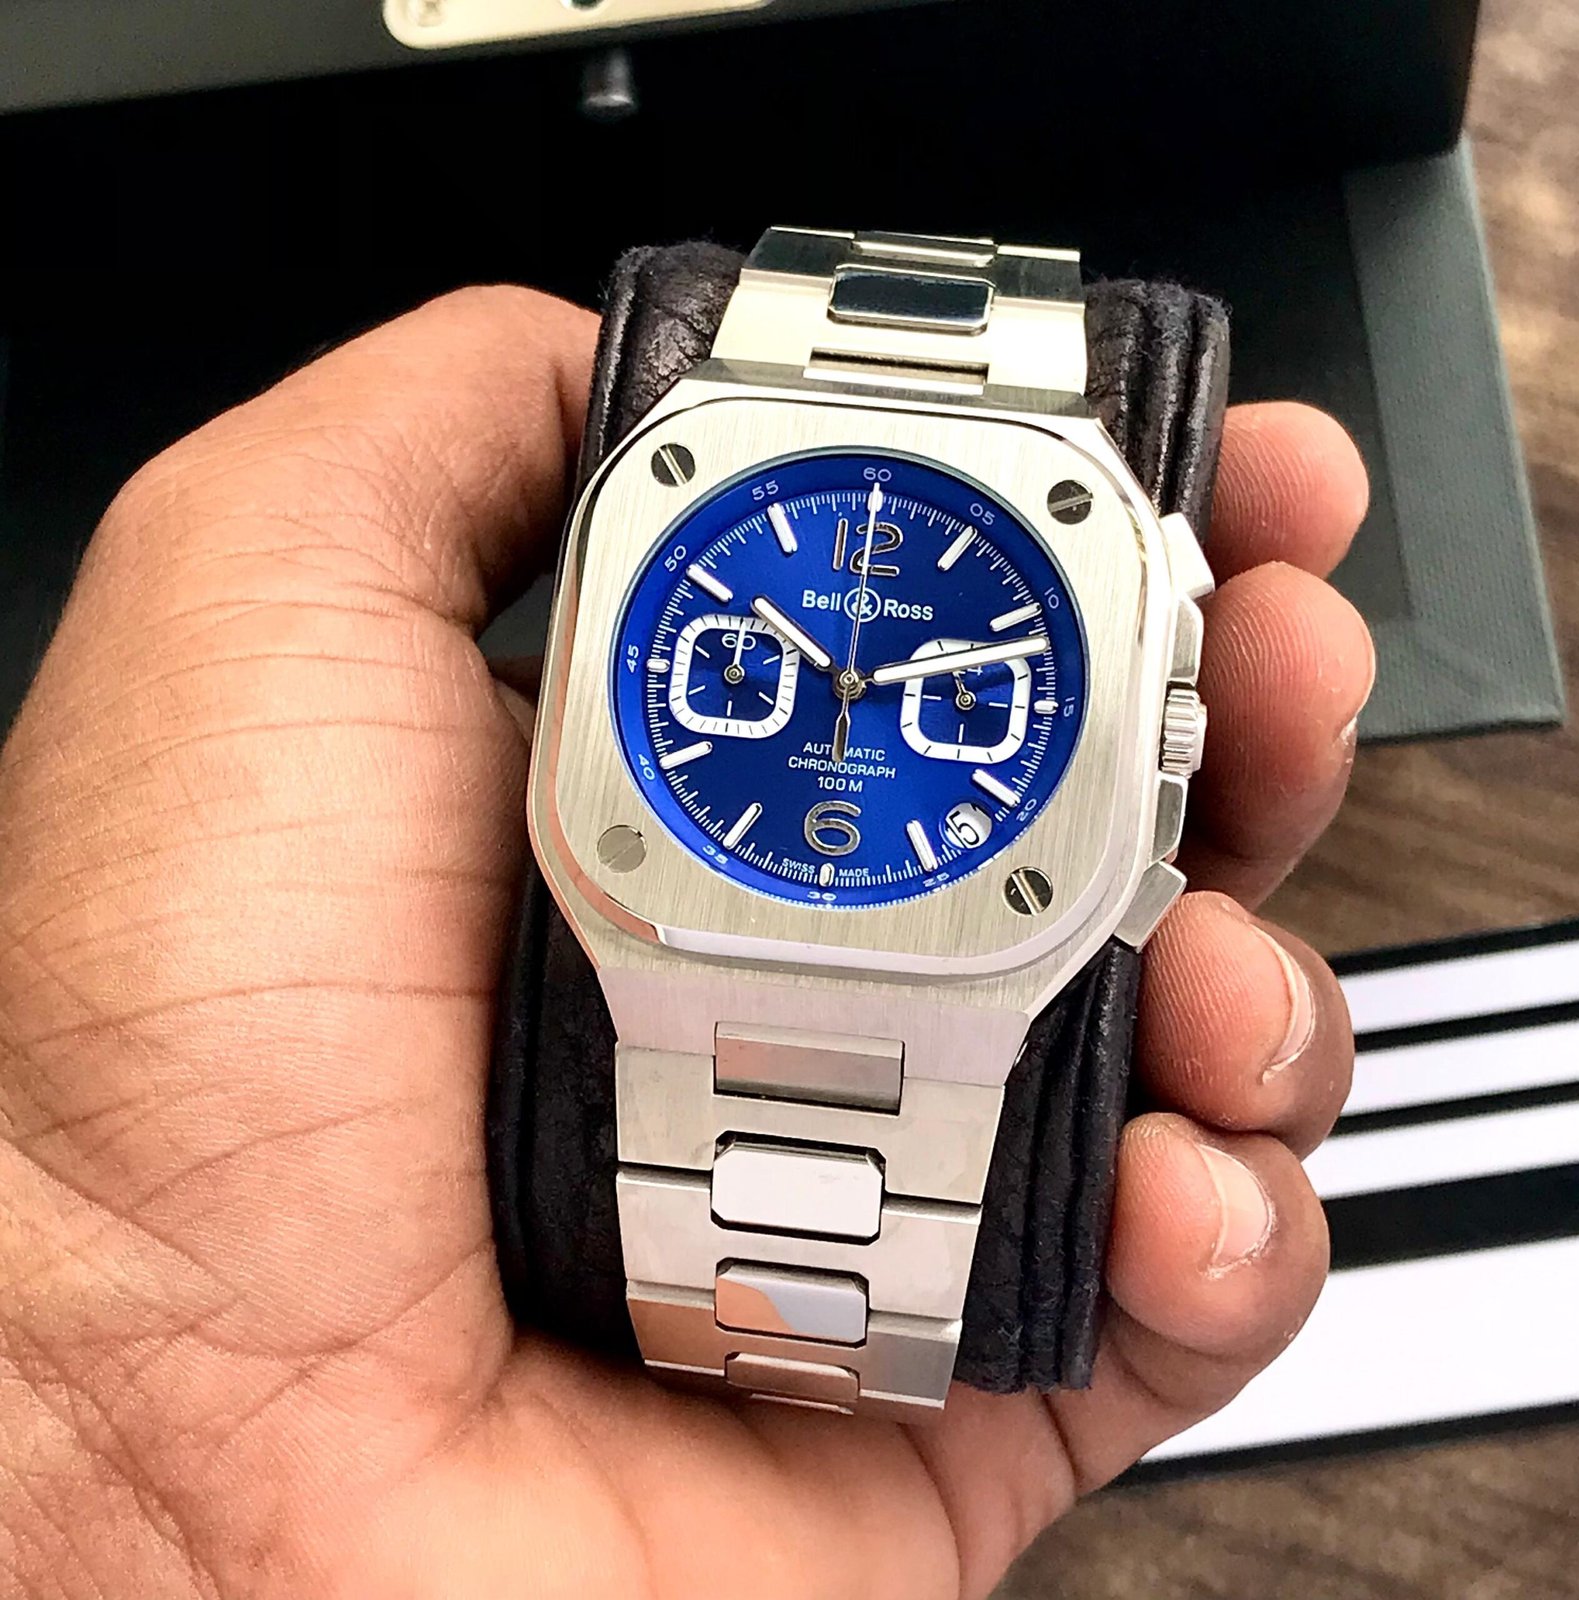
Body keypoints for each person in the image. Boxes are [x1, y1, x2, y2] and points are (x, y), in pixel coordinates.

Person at [0, 286, 1373, 1598]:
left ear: (1166, 732)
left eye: (902, 686)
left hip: (975, 975)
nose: (849, 693)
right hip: (673, 949)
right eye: (818, 670)